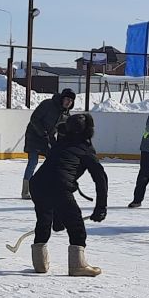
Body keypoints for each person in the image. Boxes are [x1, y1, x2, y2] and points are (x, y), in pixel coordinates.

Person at [29, 113, 108, 277]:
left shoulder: (60, 143)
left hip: (38, 183)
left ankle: (40, 264)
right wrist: (101, 207)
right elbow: (101, 178)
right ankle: (78, 266)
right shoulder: (85, 148)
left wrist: (58, 217)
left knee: (44, 221)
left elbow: (56, 170)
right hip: (59, 186)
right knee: (76, 227)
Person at [21, 88, 76, 199]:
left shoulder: (66, 115)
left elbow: (62, 132)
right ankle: (25, 191)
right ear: (62, 98)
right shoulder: (48, 104)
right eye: (67, 99)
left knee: (53, 163)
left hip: (48, 139)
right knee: (33, 162)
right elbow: (34, 118)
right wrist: (42, 132)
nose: (68, 102)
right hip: (34, 136)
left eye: (71, 100)